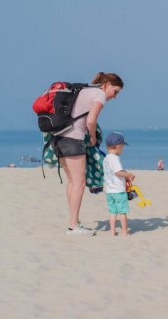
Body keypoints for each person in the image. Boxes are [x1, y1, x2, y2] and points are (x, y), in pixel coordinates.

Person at [53, 72, 123, 235]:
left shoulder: (83, 90)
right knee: (79, 182)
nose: (115, 96)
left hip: (58, 138)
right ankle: (73, 225)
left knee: (72, 182)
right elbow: (91, 120)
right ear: (107, 85)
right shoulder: (99, 94)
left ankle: (74, 221)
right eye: (116, 91)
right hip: (73, 139)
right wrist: (92, 137)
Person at [104, 132, 135, 237]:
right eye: (122, 147)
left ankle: (112, 232)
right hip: (118, 190)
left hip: (109, 191)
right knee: (122, 212)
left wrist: (123, 172)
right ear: (117, 146)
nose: (122, 149)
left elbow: (112, 171)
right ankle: (124, 232)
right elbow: (117, 172)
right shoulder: (115, 158)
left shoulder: (106, 159)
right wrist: (128, 175)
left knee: (113, 212)